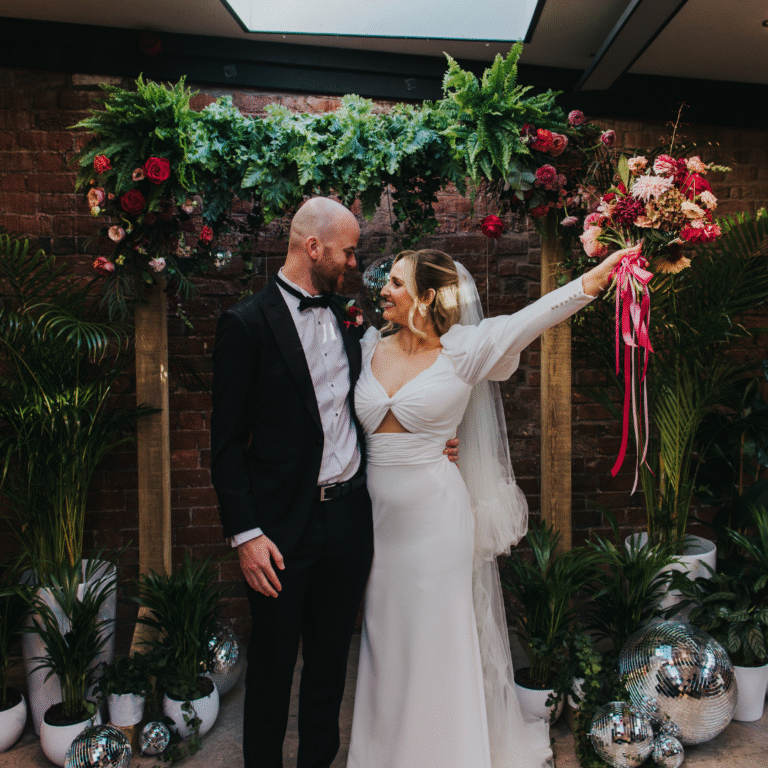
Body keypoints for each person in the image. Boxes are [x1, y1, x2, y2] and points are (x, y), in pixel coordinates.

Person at [346, 246, 628, 768]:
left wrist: (591, 282)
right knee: (386, 643)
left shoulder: (465, 350)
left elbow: (533, 318)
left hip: (436, 521)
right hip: (379, 526)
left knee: (438, 640)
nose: (383, 289)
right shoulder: (366, 347)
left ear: (427, 296)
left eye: (397, 283)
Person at [210, 197, 457, 768]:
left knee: (328, 668)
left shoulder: (354, 323)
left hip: (349, 518)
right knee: (271, 671)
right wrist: (245, 534)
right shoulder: (245, 325)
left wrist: (430, 442)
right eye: (347, 252)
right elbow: (225, 447)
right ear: (312, 247)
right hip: (277, 532)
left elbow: (380, 403)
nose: (353, 264)